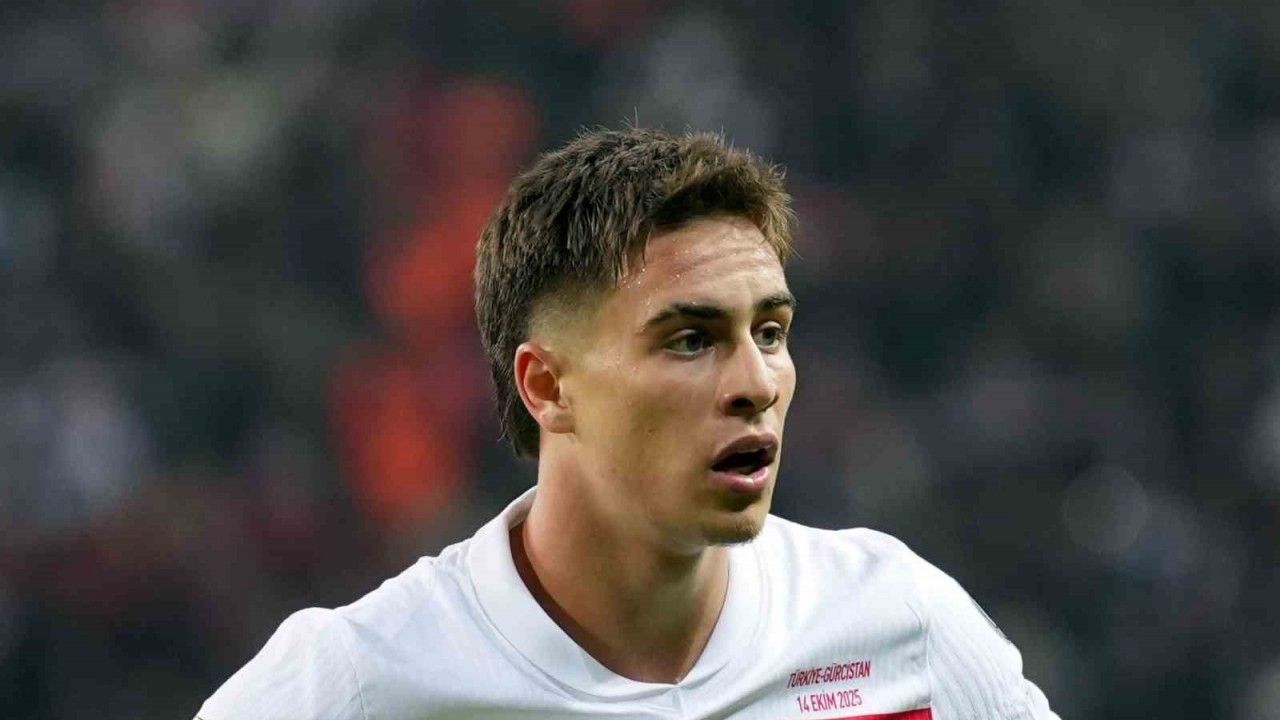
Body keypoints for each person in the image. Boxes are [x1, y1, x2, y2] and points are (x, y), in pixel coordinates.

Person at [195, 128, 1059, 719]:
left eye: (770, 332)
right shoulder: (359, 680)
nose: (756, 383)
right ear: (547, 386)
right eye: (690, 340)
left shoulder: (893, 618)